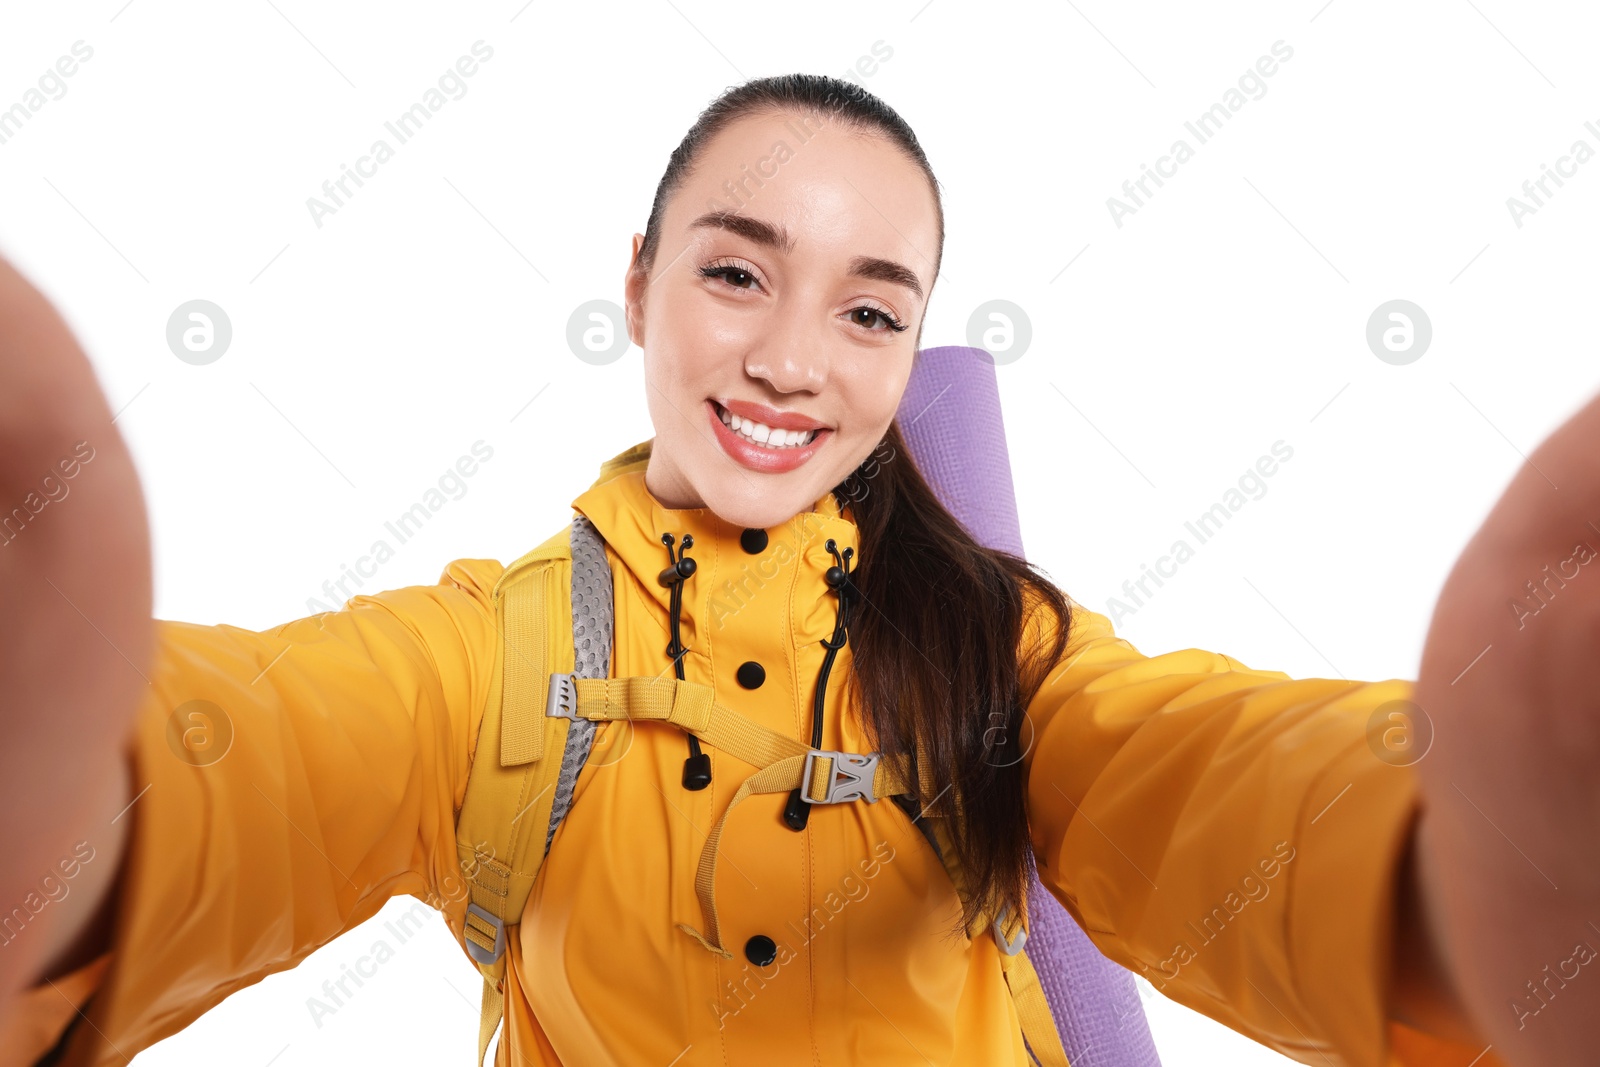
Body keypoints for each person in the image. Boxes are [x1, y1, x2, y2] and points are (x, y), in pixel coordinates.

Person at [2, 72, 1597, 1067]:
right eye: (737, 272)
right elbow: (260, 759)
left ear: (914, 347)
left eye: (869, 311)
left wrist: (1481, 860)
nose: (788, 362)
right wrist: (56, 784)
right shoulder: (489, 662)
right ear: (637, 284)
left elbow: (1209, 783)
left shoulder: (1003, 653)